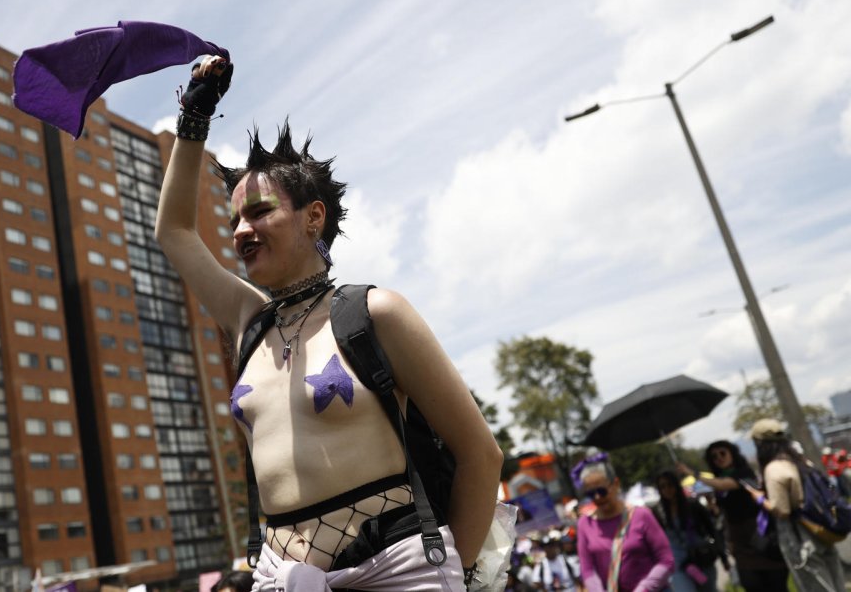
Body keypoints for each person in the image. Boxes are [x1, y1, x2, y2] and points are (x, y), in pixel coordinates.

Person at [155, 56, 503, 590]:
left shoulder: (374, 313)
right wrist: (194, 117)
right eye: (234, 221)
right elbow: (175, 231)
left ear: (313, 217)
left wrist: (459, 573)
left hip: (397, 575)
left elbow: (481, 454)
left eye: (260, 212)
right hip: (280, 576)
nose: (241, 231)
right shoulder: (250, 322)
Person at [747, 418, 847, 592]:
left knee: (816, 586)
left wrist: (760, 499)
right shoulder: (799, 460)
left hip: (801, 537)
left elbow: (782, 510)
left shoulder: (774, 469)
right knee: (836, 584)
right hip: (822, 530)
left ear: (760, 443)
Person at [677, 440, 788, 592]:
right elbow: (721, 508)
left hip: (760, 536)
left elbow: (724, 484)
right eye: (714, 457)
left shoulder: (743, 473)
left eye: (722, 453)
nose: (719, 458)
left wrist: (691, 473)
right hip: (740, 541)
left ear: (732, 454)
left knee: (775, 583)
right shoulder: (719, 479)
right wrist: (712, 505)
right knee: (751, 583)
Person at [573, 455, 673, 591]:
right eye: (590, 494)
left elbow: (666, 560)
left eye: (601, 491)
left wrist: (644, 588)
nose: (597, 497)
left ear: (615, 484)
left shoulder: (641, 515)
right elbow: (587, 570)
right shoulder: (585, 524)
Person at [651, 470, 719, 592]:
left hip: (701, 558)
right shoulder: (657, 511)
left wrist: (722, 556)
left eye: (669, 485)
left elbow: (711, 529)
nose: (667, 489)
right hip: (678, 563)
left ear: (676, 485)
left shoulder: (692, 505)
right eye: (662, 486)